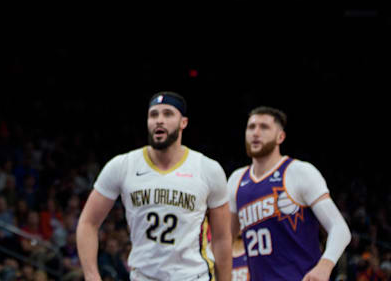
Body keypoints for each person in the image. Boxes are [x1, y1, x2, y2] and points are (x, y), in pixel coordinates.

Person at [76, 92, 232, 281]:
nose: (159, 120)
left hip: (193, 276)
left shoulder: (208, 169)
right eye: (154, 115)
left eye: (168, 114)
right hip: (143, 276)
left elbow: (222, 238)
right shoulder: (123, 165)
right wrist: (92, 276)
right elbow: (88, 223)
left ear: (183, 122)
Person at [227, 107, 350, 281]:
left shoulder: (299, 172)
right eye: (251, 127)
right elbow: (224, 240)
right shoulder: (236, 180)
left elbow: (340, 228)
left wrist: (324, 266)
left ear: (280, 137)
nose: (256, 133)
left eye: (264, 127)